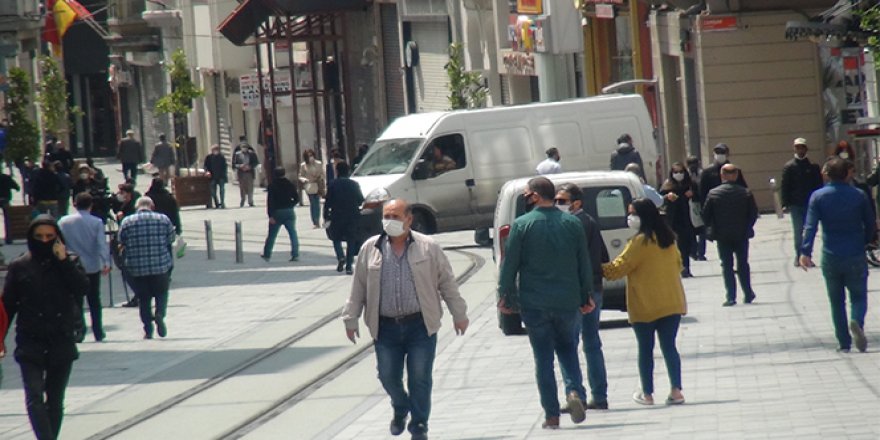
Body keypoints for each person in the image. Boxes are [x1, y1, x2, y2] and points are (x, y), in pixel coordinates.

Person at [342, 198, 469, 440]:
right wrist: (351, 318)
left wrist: (459, 314)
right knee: (387, 376)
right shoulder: (371, 248)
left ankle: (419, 425)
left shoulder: (428, 247)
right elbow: (358, 286)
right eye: (386, 216)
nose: (389, 221)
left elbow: (447, 283)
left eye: (395, 216)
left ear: (409, 219)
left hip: (420, 324)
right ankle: (401, 407)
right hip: (385, 326)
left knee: (420, 378)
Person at [497, 177, 594, 430]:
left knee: (543, 359)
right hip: (567, 300)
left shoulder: (521, 225)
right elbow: (583, 263)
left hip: (535, 303)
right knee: (569, 350)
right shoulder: (572, 223)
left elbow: (510, 265)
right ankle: (574, 393)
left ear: (536, 196)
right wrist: (586, 296)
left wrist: (505, 295)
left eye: (527, 194)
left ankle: (552, 415)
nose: (526, 198)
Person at [2, 215, 90, 440]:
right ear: (31, 237)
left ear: (58, 238)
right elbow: (8, 306)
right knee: (34, 397)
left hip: (60, 339)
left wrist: (63, 262)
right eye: (39, 236)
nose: (44, 241)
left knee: (55, 399)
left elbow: (82, 288)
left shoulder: (69, 262)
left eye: (50, 236)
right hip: (31, 340)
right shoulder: (19, 266)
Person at [602, 198, 687, 406]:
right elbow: (679, 265)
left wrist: (598, 267)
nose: (629, 218)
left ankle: (647, 393)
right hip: (671, 301)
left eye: (632, 213)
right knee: (669, 347)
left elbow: (619, 268)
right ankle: (676, 390)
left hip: (645, 303)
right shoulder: (668, 239)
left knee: (645, 349)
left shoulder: (639, 242)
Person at [800, 157, 875, 353]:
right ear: (847, 173)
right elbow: (870, 223)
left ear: (827, 174)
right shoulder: (858, 195)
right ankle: (856, 320)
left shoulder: (818, 196)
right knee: (858, 296)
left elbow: (810, 226)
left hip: (830, 254)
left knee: (836, 300)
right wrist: (867, 240)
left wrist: (805, 251)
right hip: (855, 252)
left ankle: (843, 341)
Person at [555, 183, 610, 411]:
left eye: (562, 200)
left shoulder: (571, 224)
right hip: (594, 289)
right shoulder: (590, 221)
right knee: (592, 343)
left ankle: (574, 391)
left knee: (568, 343)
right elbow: (603, 256)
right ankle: (600, 395)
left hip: (576, 291)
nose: (559, 204)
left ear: (576, 202)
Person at [118, 197, 176, 339]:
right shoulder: (163, 219)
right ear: (152, 206)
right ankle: (159, 314)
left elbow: (121, 240)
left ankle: (148, 329)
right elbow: (171, 239)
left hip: (137, 267)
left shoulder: (127, 221)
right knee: (162, 293)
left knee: (144, 299)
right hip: (160, 265)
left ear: (136, 207)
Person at [702, 164, 758, 307]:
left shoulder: (714, 193)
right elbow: (753, 214)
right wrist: (747, 226)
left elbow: (705, 215)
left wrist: (713, 227)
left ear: (722, 176)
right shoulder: (745, 193)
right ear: (736, 175)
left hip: (722, 235)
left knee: (727, 265)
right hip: (741, 234)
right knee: (743, 264)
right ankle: (748, 293)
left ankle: (731, 297)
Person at [58, 193, 111, 342]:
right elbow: (101, 243)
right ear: (91, 205)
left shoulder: (63, 221)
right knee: (94, 299)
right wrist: (106, 262)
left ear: (74, 204)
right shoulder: (96, 222)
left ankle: (78, 329)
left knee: (75, 300)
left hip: (72, 265)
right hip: (92, 266)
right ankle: (98, 331)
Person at [781, 137, 823, 267]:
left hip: (810, 204)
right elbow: (785, 186)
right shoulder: (789, 167)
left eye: (802, 147)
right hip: (795, 204)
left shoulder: (813, 167)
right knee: (798, 231)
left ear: (806, 149)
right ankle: (799, 255)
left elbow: (818, 186)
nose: (800, 150)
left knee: (810, 230)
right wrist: (785, 203)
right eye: (798, 147)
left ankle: (807, 255)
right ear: (794, 148)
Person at [324, 162, 364, 275]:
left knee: (336, 238)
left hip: (337, 215)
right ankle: (349, 265)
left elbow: (328, 202)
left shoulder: (332, 184)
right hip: (352, 215)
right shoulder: (354, 184)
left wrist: (326, 216)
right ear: (348, 171)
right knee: (351, 240)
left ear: (337, 171)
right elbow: (361, 199)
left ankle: (341, 257)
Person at [660, 162, 696, 278]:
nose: (679, 174)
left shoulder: (690, 184)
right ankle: (680, 268)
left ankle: (686, 267)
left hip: (688, 219)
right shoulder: (667, 186)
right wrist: (667, 197)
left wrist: (692, 194)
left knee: (687, 245)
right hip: (674, 220)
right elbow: (660, 200)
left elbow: (700, 196)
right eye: (676, 172)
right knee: (678, 246)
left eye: (681, 172)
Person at [260, 167, 300, 262]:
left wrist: (270, 215)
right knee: (292, 233)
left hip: (277, 212)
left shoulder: (272, 185)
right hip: (289, 211)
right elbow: (297, 198)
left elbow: (270, 202)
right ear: (284, 173)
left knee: (272, 235)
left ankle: (267, 254)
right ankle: (295, 254)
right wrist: (291, 205)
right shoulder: (289, 184)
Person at [685, 156, 707, 261]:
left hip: (701, 203)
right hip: (689, 204)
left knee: (702, 229)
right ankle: (693, 251)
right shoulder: (684, 175)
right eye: (691, 164)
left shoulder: (703, 174)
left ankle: (701, 253)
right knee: (691, 230)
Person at [299, 149, 325, 228]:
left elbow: (323, 174)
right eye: (309, 156)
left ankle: (317, 221)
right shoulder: (303, 165)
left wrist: (320, 178)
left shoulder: (319, 163)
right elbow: (300, 176)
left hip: (317, 184)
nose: (311, 157)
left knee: (317, 203)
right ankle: (315, 221)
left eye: (311, 155)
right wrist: (305, 180)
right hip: (309, 185)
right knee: (312, 203)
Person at [203, 144, 227, 209]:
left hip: (221, 177)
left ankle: (222, 203)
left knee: (222, 190)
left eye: (217, 149)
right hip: (212, 177)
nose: (215, 151)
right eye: (214, 150)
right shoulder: (208, 157)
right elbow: (205, 166)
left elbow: (224, 167)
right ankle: (216, 203)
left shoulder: (221, 157)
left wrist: (224, 176)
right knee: (213, 192)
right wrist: (207, 172)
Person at [0, 169, 21, 243]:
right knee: (7, 219)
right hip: (5, 199)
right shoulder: (6, 177)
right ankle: (9, 238)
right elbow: (16, 187)